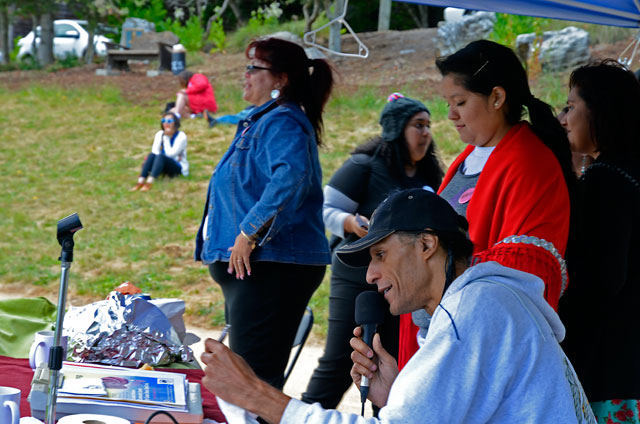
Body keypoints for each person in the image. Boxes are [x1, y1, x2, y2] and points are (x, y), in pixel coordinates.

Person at [200, 188, 596, 423]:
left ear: (426, 245)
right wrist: (397, 397)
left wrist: (257, 396)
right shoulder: (484, 302)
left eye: (380, 255)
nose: (371, 275)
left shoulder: (474, 310)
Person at [397, 39, 576, 368]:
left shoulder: (529, 163)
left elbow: (521, 274)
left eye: (460, 102)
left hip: (477, 349)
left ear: (497, 97)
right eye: (448, 103)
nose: (450, 115)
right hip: (438, 337)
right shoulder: (467, 159)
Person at [194, 37, 334, 390]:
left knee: (255, 385)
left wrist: (249, 232)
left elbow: (290, 176)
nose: (245, 75)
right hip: (264, 269)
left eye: (253, 68)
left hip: (274, 267)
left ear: (280, 79)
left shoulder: (283, 122)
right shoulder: (264, 121)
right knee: (249, 380)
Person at [302, 93, 443, 409]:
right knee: (343, 357)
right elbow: (325, 208)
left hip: (407, 286)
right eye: (418, 125)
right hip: (357, 280)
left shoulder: (429, 176)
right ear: (396, 128)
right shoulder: (364, 166)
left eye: (428, 126)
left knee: (394, 360)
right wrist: (351, 223)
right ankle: (307, 413)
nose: (426, 134)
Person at [558, 60, 640, 423]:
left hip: (609, 370)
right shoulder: (630, 171)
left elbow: (600, 281)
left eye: (571, 106)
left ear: (601, 111)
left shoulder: (605, 181)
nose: (563, 118)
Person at [130, 112, 188, 192]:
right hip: (162, 164)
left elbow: (171, 154)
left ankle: (149, 182)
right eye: (163, 121)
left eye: (169, 121)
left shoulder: (181, 136)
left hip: (177, 166)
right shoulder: (159, 134)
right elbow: (155, 151)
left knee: (161, 156)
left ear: (175, 122)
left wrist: (166, 138)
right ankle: (140, 181)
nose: (166, 123)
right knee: (151, 155)